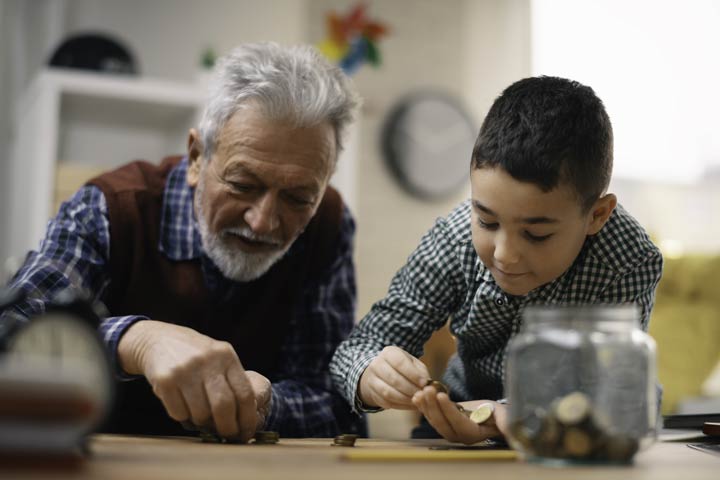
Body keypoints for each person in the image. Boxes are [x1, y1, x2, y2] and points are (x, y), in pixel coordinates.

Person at [0, 42, 362, 441]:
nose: (262, 222)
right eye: (243, 184)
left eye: (298, 198)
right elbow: (12, 329)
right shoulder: (110, 209)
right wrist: (138, 340)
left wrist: (268, 404)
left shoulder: (329, 224)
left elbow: (337, 401)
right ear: (196, 158)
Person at [329, 76, 663, 444]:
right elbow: (356, 349)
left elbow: (612, 386)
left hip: (569, 430)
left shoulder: (627, 258)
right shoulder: (454, 238)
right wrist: (369, 373)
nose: (504, 254)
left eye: (536, 234)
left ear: (597, 216)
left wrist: (512, 413)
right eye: (487, 221)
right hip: (458, 413)